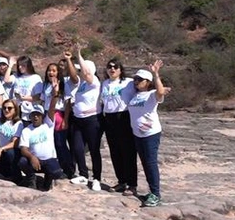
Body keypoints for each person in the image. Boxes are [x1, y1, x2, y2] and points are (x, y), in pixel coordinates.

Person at [128, 60, 169, 208]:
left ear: (147, 82)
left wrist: (156, 74)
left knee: (151, 163)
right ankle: (152, 191)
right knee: (145, 163)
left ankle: (156, 195)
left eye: (140, 80)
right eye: (135, 79)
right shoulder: (135, 96)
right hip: (138, 134)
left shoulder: (151, 94)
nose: (136, 82)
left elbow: (160, 92)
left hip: (150, 134)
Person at [64, 45, 103, 191]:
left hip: (92, 120)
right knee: (77, 148)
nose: (80, 72)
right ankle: (83, 174)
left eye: (82, 69)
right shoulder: (81, 84)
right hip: (78, 120)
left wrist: (78, 53)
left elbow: (87, 73)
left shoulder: (94, 83)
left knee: (94, 149)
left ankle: (97, 178)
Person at [100, 58, 138, 194]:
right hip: (109, 118)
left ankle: (132, 184)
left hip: (124, 117)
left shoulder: (128, 83)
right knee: (115, 151)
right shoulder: (104, 84)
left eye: (115, 67)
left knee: (128, 151)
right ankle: (121, 181)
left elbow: (141, 93)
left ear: (120, 69)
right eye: (109, 67)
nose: (112, 69)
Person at [17, 103, 66, 190]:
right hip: (35, 162)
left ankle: (48, 179)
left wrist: (55, 94)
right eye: (33, 115)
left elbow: (51, 107)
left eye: (38, 115)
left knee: (57, 173)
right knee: (22, 162)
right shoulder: (26, 130)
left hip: (49, 159)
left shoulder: (48, 125)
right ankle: (31, 179)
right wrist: (32, 157)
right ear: (30, 117)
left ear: (42, 116)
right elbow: (23, 149)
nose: (35, 117)